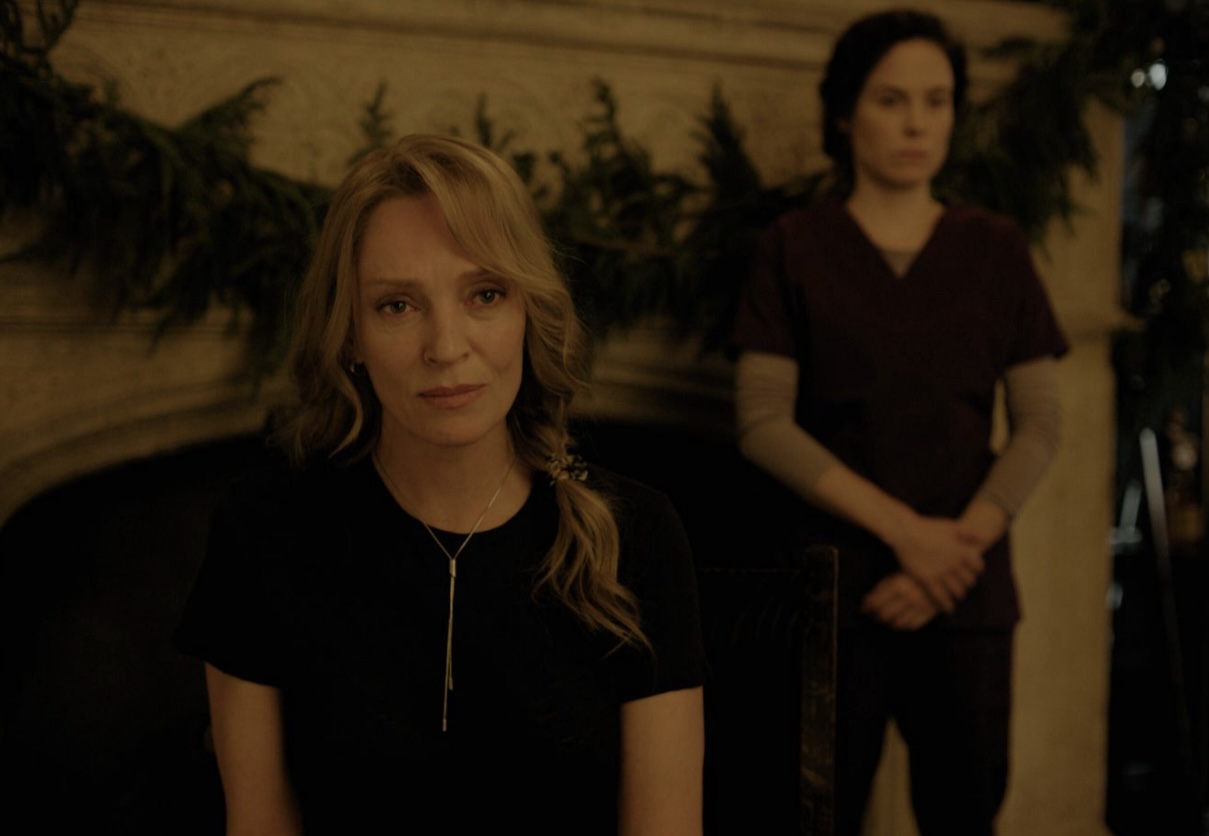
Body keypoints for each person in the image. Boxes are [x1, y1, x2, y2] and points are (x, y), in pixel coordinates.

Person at [176, 134, 705, 835]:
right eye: (397, 305)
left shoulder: (634, 533)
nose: (447, 347)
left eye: (485, 294)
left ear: (528, 310)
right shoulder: (265, 530)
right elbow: (258, 822)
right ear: (349, 334)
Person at [730, 10, 1067, 836]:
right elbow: (761, 422)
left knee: (965, 815)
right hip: (835, 592)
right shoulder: (793, 246)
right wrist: (908, 536)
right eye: (891, 100)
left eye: (936, 100)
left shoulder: (995, 248)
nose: (917, 123)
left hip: (967, 590)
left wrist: (951, 553)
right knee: (813, 817)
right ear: (845, 113)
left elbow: (1037, 423)